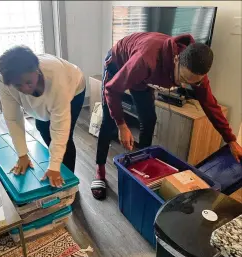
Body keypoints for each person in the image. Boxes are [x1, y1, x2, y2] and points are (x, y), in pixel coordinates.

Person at [91, 32, 242, 200]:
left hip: (142, 78)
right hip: (118, 65)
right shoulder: (146, 60)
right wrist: (122, 124)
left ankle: (141, 165)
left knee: (149, 120)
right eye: (183, 78)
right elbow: (112, 89)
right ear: (176, 59)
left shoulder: (196, 73)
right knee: (108, 121)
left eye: (194, 82)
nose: (186, 85)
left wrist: (230, 139)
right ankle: (100, 169)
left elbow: (210, 105)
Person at [0, 46, 85, 188]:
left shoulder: (57, 80)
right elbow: (13, 118)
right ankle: (56, 166)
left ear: (37, 70)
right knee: (43, 127)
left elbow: (60, 128)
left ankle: (69, 183)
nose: (25, 89)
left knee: (65, 138)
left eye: (28, 82)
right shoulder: (4, 80)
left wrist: (54, 166)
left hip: (74, 86)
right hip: (49, 88)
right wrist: (22, 155)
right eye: (18, 85)